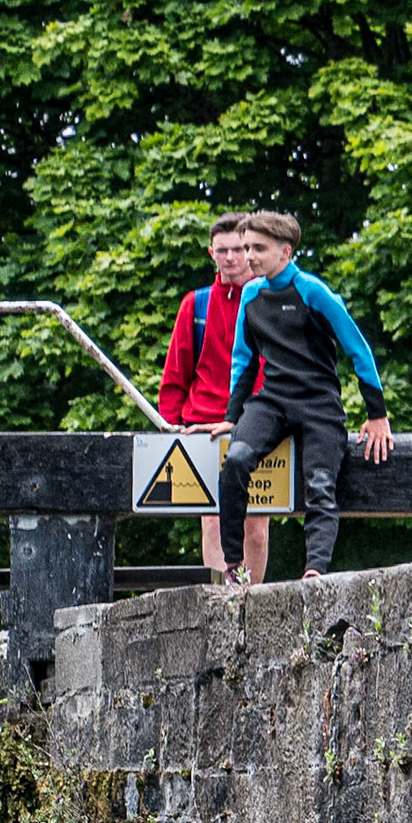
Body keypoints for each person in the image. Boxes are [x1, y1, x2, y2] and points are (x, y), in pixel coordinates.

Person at [220, 211, 391, 583]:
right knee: (235, 460)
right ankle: (233, 565)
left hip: (318, 404)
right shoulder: (250, 294)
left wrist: (377, 414)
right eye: (246, 246)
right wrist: (232, 416)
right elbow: (244, 361)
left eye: (257, 248)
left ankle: (314, 570)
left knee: (319, 484)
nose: (248, 256)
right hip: (273, 400)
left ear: (285, 252)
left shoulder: (313, 291)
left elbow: (358, 350)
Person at [158, 212, 270, 581]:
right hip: (204, 425)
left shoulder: (269, 298)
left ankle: (253, 602)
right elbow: (176, 371)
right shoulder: (197, 305)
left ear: (250, 250)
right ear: (212, 253)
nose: (231, 258)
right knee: (212, 521)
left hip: (256, 421)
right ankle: (220, 601)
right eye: (222, 250)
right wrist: (169, 425)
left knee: (256, 523)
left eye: (238, 249)